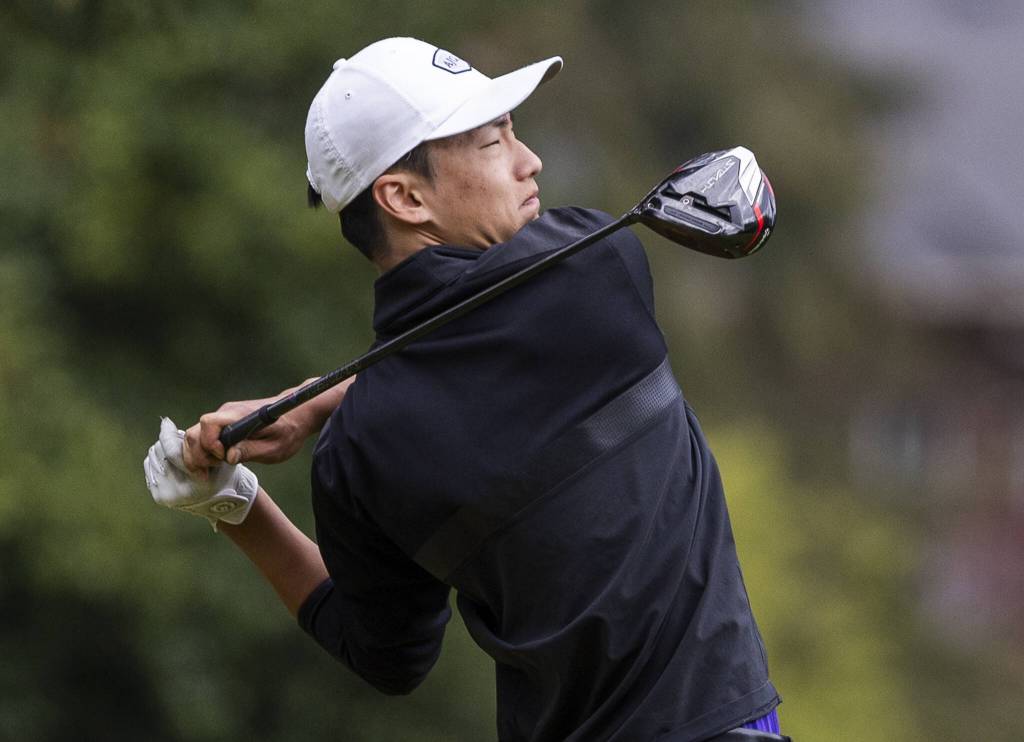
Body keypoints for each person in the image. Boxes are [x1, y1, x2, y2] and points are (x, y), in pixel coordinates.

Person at [142, 37, 789, 742]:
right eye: (491, 142)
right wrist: (321, 403)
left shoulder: (360, 453)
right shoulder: (596, 268)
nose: (528, 159)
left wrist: (237, 506)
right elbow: (482, 334)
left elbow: (385, 656)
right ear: (404, 196)